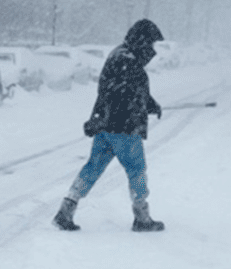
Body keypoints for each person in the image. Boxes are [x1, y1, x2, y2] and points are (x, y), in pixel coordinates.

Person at [53, 19, 165, 232]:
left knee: (93, 167)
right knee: (137, 170)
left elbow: (123, 92)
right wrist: (142, 106)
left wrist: (150, 104)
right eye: (150, 43)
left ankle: (66, 209)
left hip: (105, 126)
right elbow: (126, 95)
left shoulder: (119, 55)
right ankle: (142, 217)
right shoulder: (128, 61)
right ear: (141, 41)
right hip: (123, 128)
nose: (151, 49)